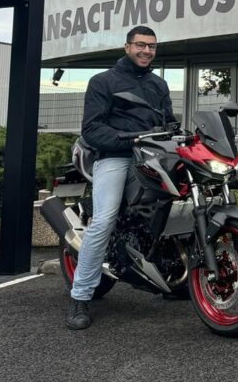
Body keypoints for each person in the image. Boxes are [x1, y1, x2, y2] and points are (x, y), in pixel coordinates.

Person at [66, 26, 176, 330]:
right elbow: (92, 129)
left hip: (152, 156)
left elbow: (169, 122)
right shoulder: (103, 81)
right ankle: (80, 295)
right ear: (127, 47)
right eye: (140, 45)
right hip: (116, 156)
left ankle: (175, 276)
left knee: (180, 203)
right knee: (104, 220)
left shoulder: (159, 84)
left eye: (151, 46)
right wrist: (128, 139)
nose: (146, 51)